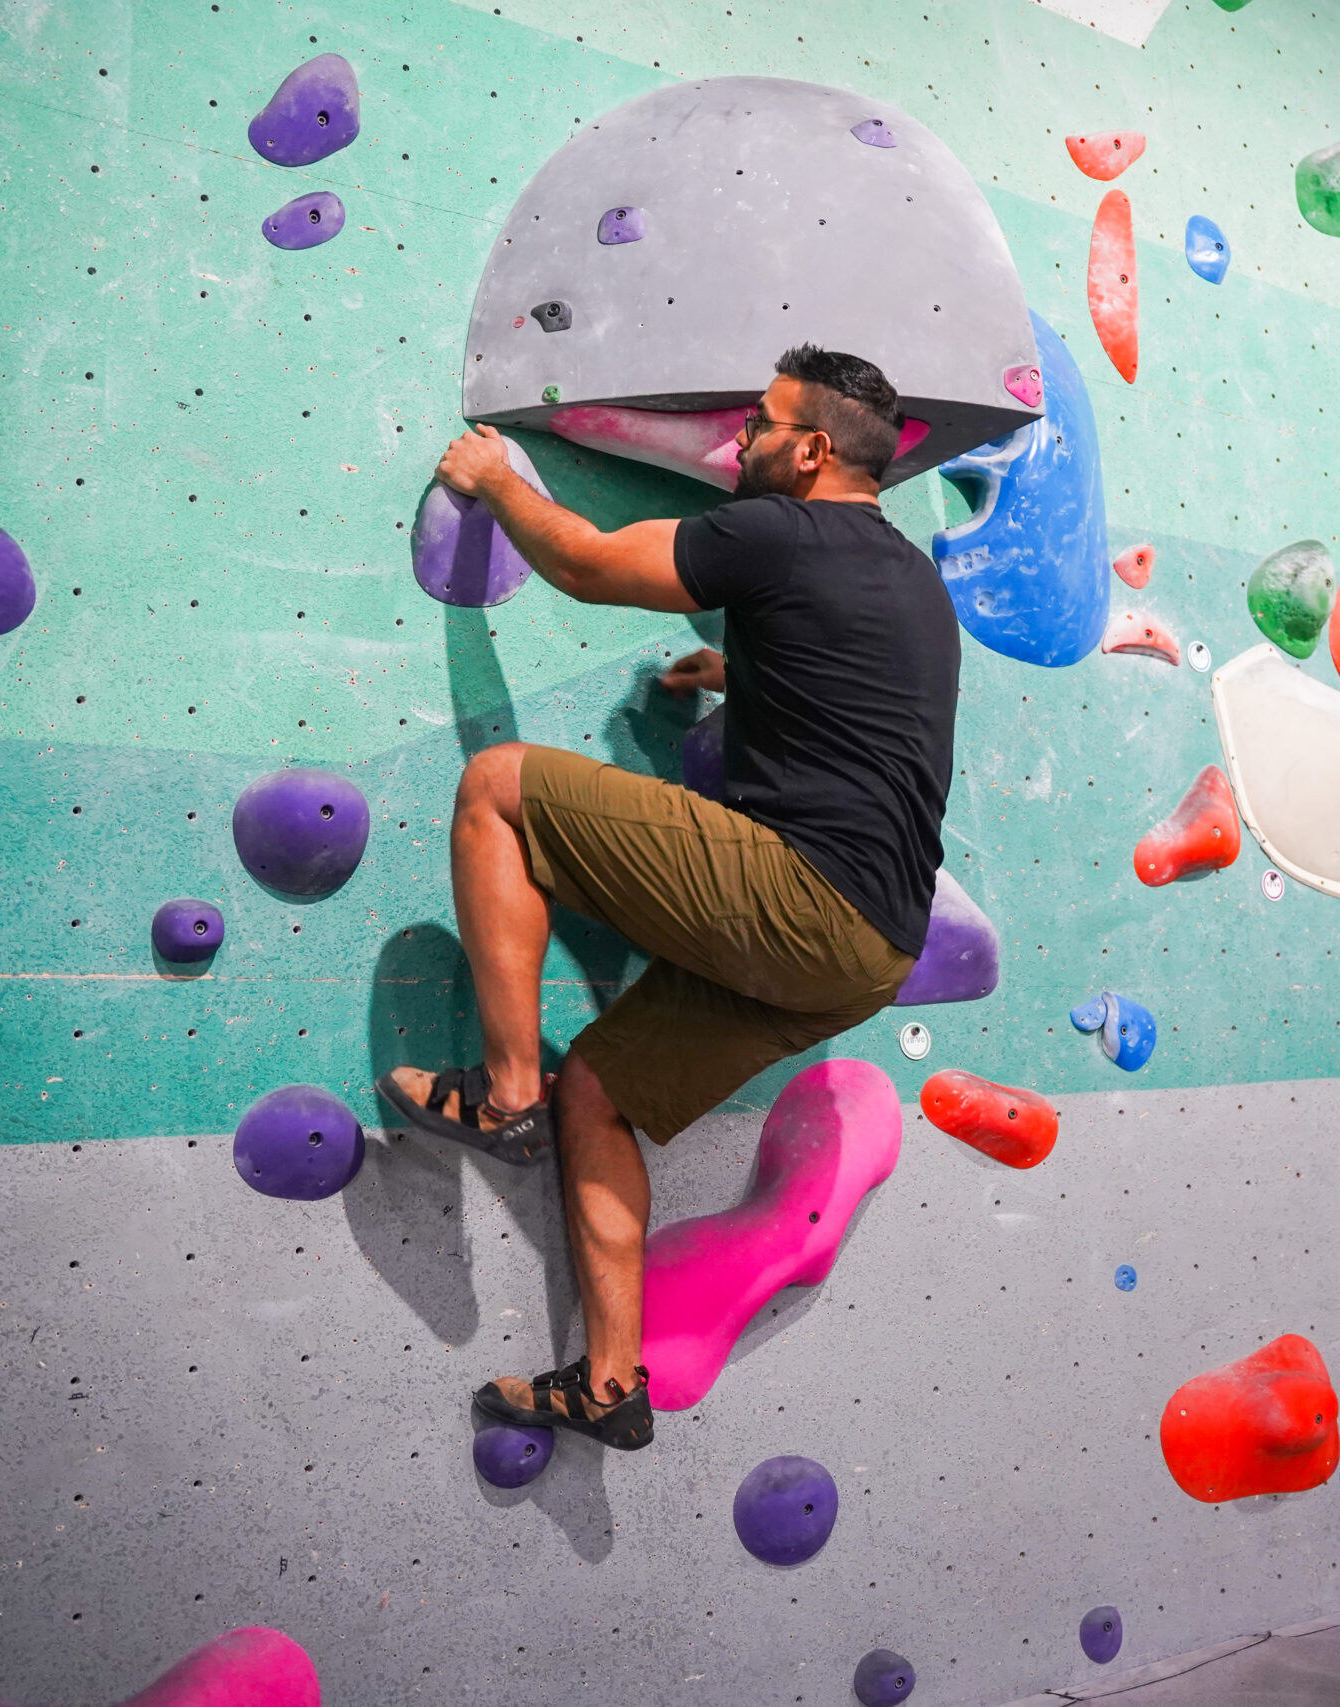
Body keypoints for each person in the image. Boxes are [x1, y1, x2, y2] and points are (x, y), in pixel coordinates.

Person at [378, 346, 959, 1453]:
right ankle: (609, 1384)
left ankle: (504, 1093)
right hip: (872, 952)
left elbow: (594, 567)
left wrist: (498, 479)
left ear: (813, 450)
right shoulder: (913, 581)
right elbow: (868, 707)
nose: (738, 442)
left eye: (761, 425)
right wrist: (742, 676)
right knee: (594, 1089)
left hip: (800, 900)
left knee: (499, 789)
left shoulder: (774, 531)